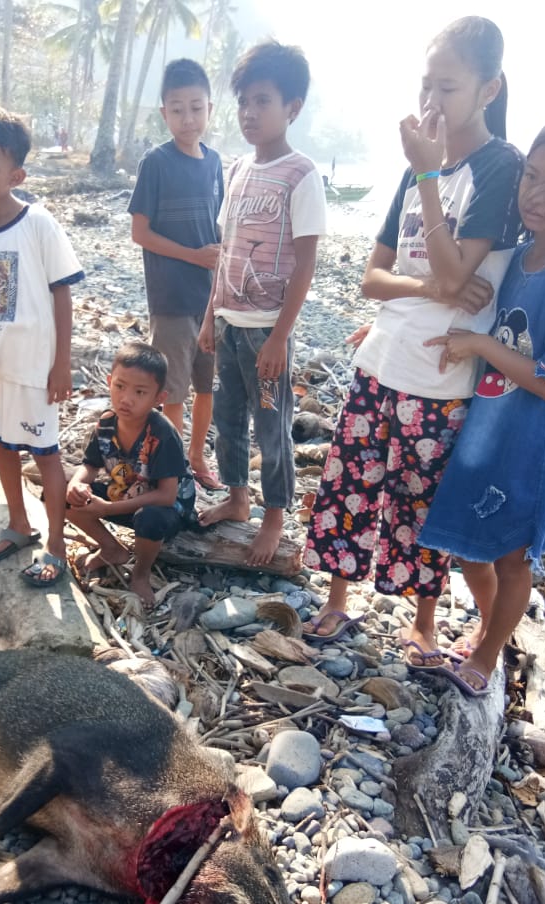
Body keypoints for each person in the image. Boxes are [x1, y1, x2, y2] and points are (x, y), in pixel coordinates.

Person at [302, 16, 523, 673]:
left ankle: (423, 622)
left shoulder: (498, 167)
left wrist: (428, 179)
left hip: (441, 376)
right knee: (347, 484)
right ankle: (339, 599)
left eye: (447, 88)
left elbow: (463, 278)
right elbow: (374, 279)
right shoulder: (420, 162)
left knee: (415, 505)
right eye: (426, 85)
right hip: (382, 360)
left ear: (490, 90)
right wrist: (429, 283)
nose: (431, 103)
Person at [417, 110, 545, 696]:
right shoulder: (517, 255)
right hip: (489, 423)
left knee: (513, 559)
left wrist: (482, 344)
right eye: (531, 176)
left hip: (538, 439)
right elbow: (462, 299)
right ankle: (493, 632)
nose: (537, 195)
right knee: (469, 545)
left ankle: (486, 657)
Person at [197, 41, 327, 566]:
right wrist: (210, 318)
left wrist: (279, 336)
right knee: (228, 418)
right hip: (229, 324)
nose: (250, 113)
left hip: (266, 329)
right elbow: (225, 252)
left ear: (292, 107)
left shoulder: (301, 174)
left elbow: (305, 264)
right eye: (244, 102)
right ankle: (236, 497)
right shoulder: (238, 171)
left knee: (271, 425)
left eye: (264, 101)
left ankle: (274, 515)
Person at [0, 108, 84, 586]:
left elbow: (61, 294)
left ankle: (57, 546)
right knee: (3, 447)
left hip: (34, 366)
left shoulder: (37, 224)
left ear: (15, 174)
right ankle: (20, 525)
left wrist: (62, 363)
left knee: (45, 452)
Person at [128, 58, 225, 491]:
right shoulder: (157, 162)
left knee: (207, 385)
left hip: (212, 299)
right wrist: (193, 255)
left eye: (196, 108)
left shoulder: (215, 162)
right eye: (178, 109)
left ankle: (196, 457)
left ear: (209, 109)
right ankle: (170, 465)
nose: (188, 118)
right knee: (173, 391)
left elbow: (217, 225)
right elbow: (140, 232)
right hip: (170, 298)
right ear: (164, 112)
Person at [66, 342, 196, 607]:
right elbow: (90, 464)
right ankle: (112, 549)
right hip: (125, 493)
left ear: (159, 398)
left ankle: (141, 574)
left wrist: (108, 509)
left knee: (150, 519)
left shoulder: (162, 433)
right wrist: (78, 483)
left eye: (140, 392)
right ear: (109, 381)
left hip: (167, 509)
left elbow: (166, 496)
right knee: (59, 494)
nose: (126, 398)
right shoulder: (106, 424)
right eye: (120, 386)